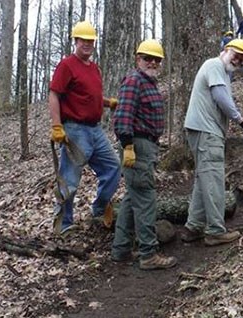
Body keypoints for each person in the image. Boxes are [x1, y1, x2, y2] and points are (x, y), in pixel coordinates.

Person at [48, 20, 121, 234]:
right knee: (69, 179)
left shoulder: (94, 68)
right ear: (76, 41)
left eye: (90, 41)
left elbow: (89, 96)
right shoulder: (67, 65)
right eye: (83, 40)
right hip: (75, 130)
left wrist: (108, 103)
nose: (87, 44)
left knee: (113, 167)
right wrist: (57, 126)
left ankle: (98, 209)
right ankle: (63, 225)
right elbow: (54, 94)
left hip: (95, 130)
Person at [181, 39, 243, 246]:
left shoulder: (222, 72)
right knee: (213, 178)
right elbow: (221, 98)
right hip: (206, 131)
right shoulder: (214, 65)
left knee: (204, 178)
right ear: (225, 50)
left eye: (242, 59)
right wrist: (241, 121)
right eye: (236, 55)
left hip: (203, 130)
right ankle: (215, 230)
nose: (238, 60)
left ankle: (193, 226)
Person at [111, 39, 177, 270]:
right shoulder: (134, 81)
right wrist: (128, 146)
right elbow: (122, 116)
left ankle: (120, 249)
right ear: (138, 58)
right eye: (147, 58)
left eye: (156, 59)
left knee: (132, 197)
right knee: (146, 198)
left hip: (147, 145)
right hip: (137, 146)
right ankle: (148, 254)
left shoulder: (149, 82)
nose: (152, 62)